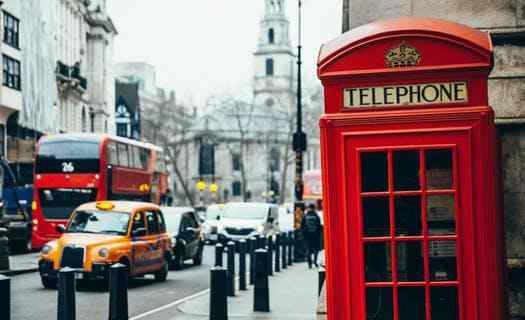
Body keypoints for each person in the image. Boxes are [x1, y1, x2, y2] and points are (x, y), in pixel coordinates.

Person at [301, 203, 322, 268]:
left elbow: (302, 226)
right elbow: (319, 226)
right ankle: (315, 262)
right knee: (316, 249)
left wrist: (304, 234)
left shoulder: (305, 216)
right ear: (314, 208)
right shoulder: (316, 215)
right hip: (315, 235)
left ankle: (309, 263)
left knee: (308, 249)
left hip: (307, 235)